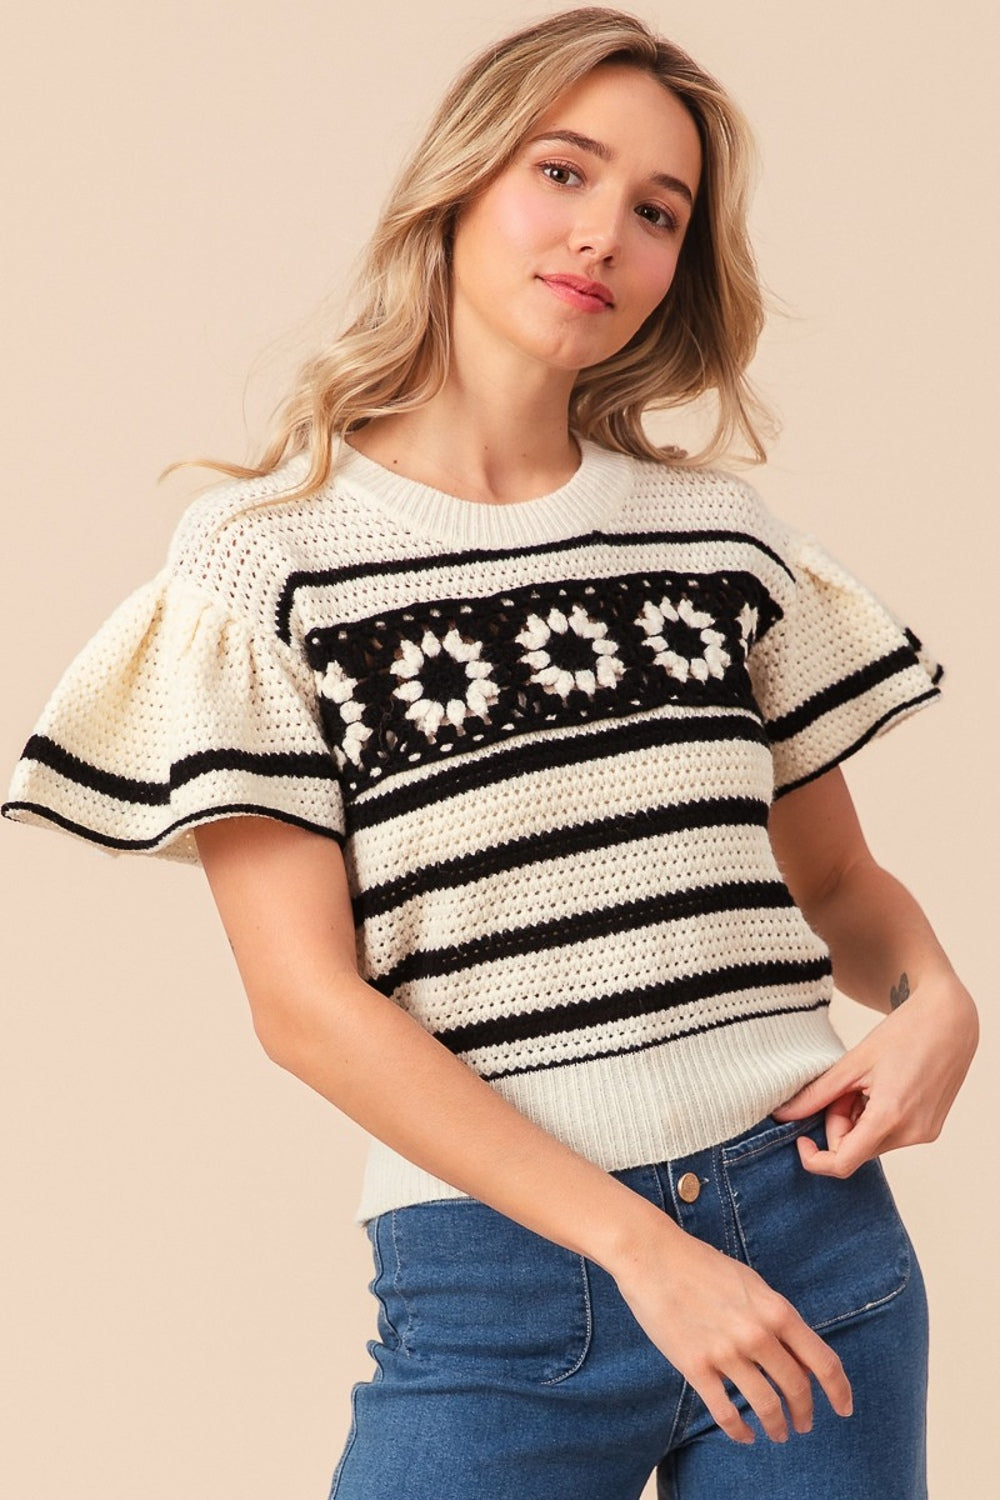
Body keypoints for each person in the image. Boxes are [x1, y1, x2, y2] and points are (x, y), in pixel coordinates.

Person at [1, 7, 978, 1497]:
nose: (606, 236)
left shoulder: (719, 542)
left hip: (807, 1245)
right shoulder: (267, 566)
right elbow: (306, 1006)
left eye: (659, 212)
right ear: (458, 187)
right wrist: (641, 1250)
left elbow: (840, 883)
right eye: (565, 173)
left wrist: (936, 998)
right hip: (502, 1287)